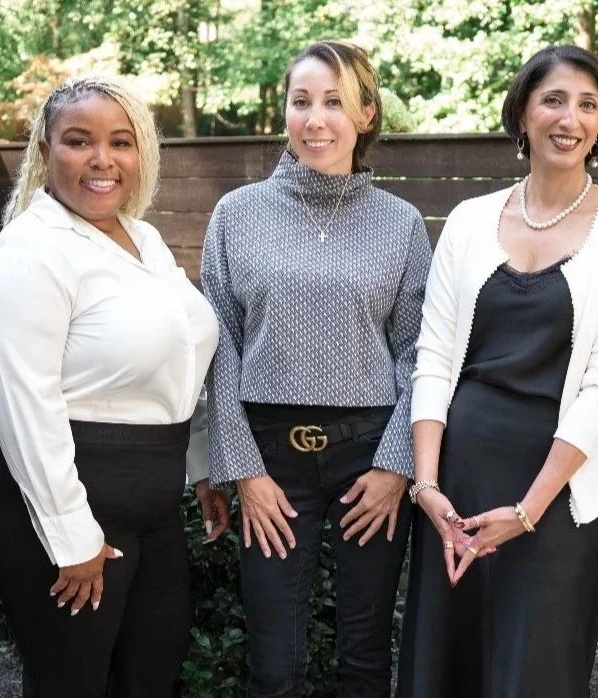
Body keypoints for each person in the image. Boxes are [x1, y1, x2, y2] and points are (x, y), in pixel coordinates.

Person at [396, 44, 598, 697]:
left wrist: (527, 511)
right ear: (522, 113)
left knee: (537, 668)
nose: (570, 118)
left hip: (559, 493)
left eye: (588, 105)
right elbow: (433, 358)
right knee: (446, 663)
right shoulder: (468, 220)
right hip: (456, 479)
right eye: (554, 100)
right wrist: (426, 487)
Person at [0, 75, 229, 698]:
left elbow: (181, 356)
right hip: (63, 499)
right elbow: (23, 405)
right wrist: (71, 536)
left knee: (151, 672)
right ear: (45, 151)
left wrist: (200, 465)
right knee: (73, 682)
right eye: (79, 141)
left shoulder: (144, 239)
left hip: (152, 500)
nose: (102, 159)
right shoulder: (28, 254)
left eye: (121, 142)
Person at [201, 41, 431, 698]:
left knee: (365, 654)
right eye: (301, 101)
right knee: (273, 665)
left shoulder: (401, 224)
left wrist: (396, 467)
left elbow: (419, 353)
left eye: (334, 101)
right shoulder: (236, 215)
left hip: (371, 458)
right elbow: (219, 348)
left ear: (365, 113)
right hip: (271, 462)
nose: (316, 119)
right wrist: (244, 472)